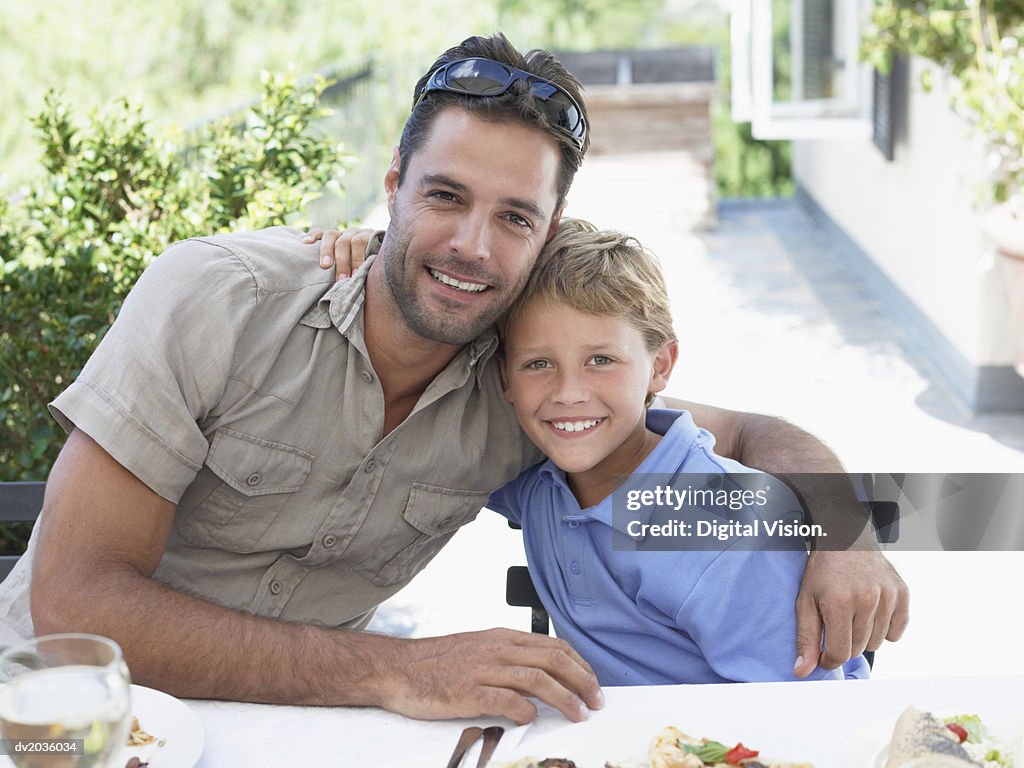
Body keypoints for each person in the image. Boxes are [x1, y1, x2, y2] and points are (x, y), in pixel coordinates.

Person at [2, 33, 905, 725]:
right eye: (444, 196)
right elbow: (75, 602)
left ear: (547, 236)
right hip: (67, 715)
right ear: (391, 186)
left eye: (514, 216)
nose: (473, 245)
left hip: (300, 728)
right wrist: (399, 669)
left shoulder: (528, 391)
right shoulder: (219, 300)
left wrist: (846, 532)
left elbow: (744, 432)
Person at [486, 217, 869, 684]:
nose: (568, 393)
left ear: (660, 366)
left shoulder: (726, 531)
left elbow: (805, 714)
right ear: (506, 380)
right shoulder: (538, 479)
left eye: (600, 360)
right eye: (538, 364)